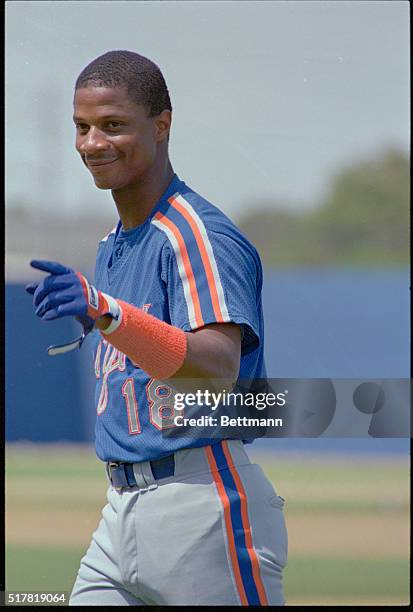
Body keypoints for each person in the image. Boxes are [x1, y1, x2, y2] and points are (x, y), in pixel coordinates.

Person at [26, 50, 288, 606]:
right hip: (120, 509)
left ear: (162, 124)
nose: (92, 143)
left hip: (201, 508)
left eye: (113, 125)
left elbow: (218, 371)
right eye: (82, 127)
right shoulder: (115, 242)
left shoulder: (196, 233)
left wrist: (109, 314)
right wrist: (108, 319)